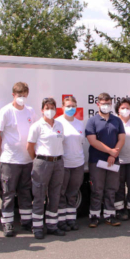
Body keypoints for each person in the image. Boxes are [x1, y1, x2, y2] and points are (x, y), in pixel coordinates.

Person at [0, 82, 36, 237]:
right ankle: (7, 223)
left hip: (27, 160)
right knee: (9, 193)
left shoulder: (30, 111)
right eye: (19, 95)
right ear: (13, 95)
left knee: (25, 192)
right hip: (10, 161)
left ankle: (26, 221)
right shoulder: (5, 111)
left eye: (24, 95)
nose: (22, 98)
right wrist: (3, 149)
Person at [26, 98, 65, 239]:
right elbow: (29, 147)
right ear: (42, 110)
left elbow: (61, 142)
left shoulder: (60, 124)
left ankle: (52, 226)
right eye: (47, 108)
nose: (50, 110)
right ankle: (37, 227)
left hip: (58, 162)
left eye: (52, 108)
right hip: (42, 163)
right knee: (39, 196)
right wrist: (38, 161)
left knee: (55, 195)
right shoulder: (37, 126)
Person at [86, 92, 126, 228]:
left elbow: (122, 138)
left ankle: (110, 215)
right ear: (98, 104)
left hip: (113, 160)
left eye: (108, 104)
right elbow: (92, 141)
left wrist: (114, 154)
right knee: (97, 189)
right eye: (103, 104)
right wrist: (110, 151)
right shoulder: (92, 121)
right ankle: (94, 216)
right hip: (97, 161)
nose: (106, 106)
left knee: (111, 189)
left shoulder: (117, 120)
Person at [55, 96, 86, 231]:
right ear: (62, 107)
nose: (71, 108)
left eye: (73, 105)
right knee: (61, 194)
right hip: (64, 164)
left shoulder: (79, 123)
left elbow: (81, 143)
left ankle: (71, 220)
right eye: (68, 106)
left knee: (73, 194)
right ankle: (61, 221)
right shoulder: (57, 123)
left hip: (78, 164)